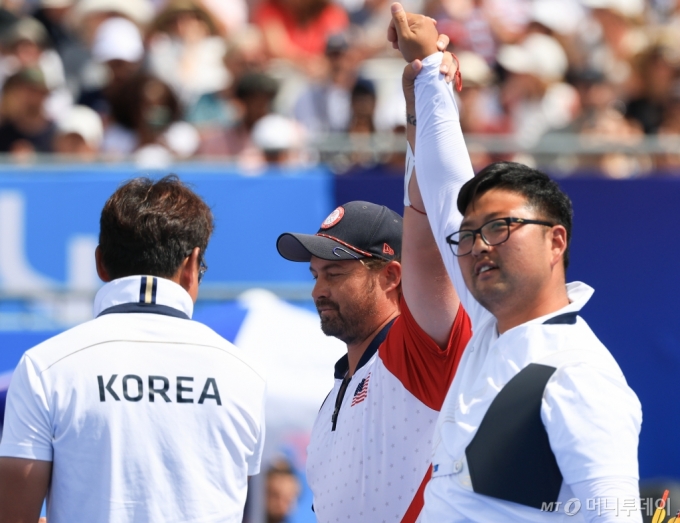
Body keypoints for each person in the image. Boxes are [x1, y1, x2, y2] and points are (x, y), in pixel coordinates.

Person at [388, 4, 642, 522]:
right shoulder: (491, 330)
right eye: (470, 234)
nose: (480, 245)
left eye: (500, 228)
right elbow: (444, 187)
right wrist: (427, 73)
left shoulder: (577, 374)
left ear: (556, 241)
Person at [275, 41, 472, 518]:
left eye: (336, 272)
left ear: (392, 277)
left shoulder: (420, 348)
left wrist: (425, 95)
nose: (319, 289)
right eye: (316, 273)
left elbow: (428, 220)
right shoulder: (332, 399)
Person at [0, 176, 265, 523]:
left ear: (100, 263)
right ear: (191, 266)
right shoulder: (243, 373)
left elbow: (13, 515)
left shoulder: (45, 366)